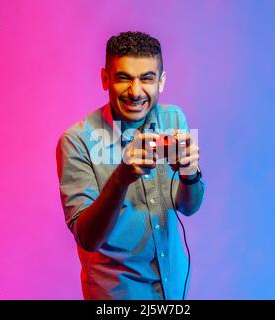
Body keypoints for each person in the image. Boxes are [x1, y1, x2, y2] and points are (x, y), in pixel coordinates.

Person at [56, 31, 205, 300]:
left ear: (161, 81)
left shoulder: (174, 118)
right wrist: (121, 178)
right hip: (118, 296)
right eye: (124, 78)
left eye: (147, 78)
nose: (135, 92)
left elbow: (188, 207)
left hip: (175, 289)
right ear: (105, 79)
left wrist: (190, 176)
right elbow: (87, 238)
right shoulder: (76, 141)